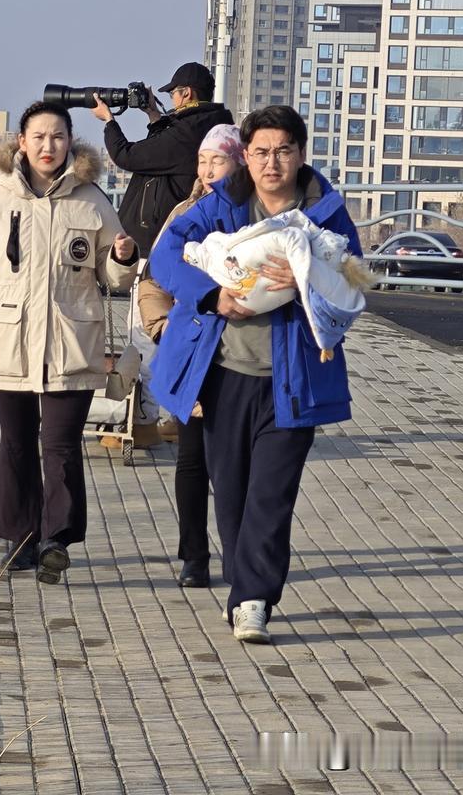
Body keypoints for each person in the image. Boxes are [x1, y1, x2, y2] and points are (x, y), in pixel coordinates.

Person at [148, 105, 361, 644]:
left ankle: (252, 600)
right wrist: (212, 295)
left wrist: (310, 274)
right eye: (261, 151)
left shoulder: (325, 211)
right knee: (231, 492)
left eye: (283, 150)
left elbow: (355, 280)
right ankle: (244, 585)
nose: (272, 162)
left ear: (301, 154)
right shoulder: (222, 203)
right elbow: (166, 255)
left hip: (294, 381)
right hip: (224, 374)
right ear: (246, 156)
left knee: (272, 494)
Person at [0, 101, 139, 585]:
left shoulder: (91, 200)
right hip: (10, 341)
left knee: (61, 444)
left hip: (71, 341)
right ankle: (20, 539)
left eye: (58, 136)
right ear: (21, 143)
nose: (49, 146)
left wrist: (123, 257)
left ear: (71, 142)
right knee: (17, 444)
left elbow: (113, 276)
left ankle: (55, 541)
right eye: (39, 137)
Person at [135, 124, 245, 590]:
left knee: (235, 463)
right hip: (193, 349)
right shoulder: (186, 213)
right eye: (202, 160)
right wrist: (162, 328)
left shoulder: (255, 214)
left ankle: (240, 555)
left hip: (242, 354)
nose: (207, 169)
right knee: (192, 458)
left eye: (218, 160)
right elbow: (152, 280)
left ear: (239, 162)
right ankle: (194, 556)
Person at [89, 61, 234, 259]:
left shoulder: (187, 132)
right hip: (176, 237)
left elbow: (126, 156)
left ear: (186, 93)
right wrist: (153, 114)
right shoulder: (208, 125)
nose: (172, 99)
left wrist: (108, 120)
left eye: (172, 93)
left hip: (157, 244)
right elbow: (164, 152)